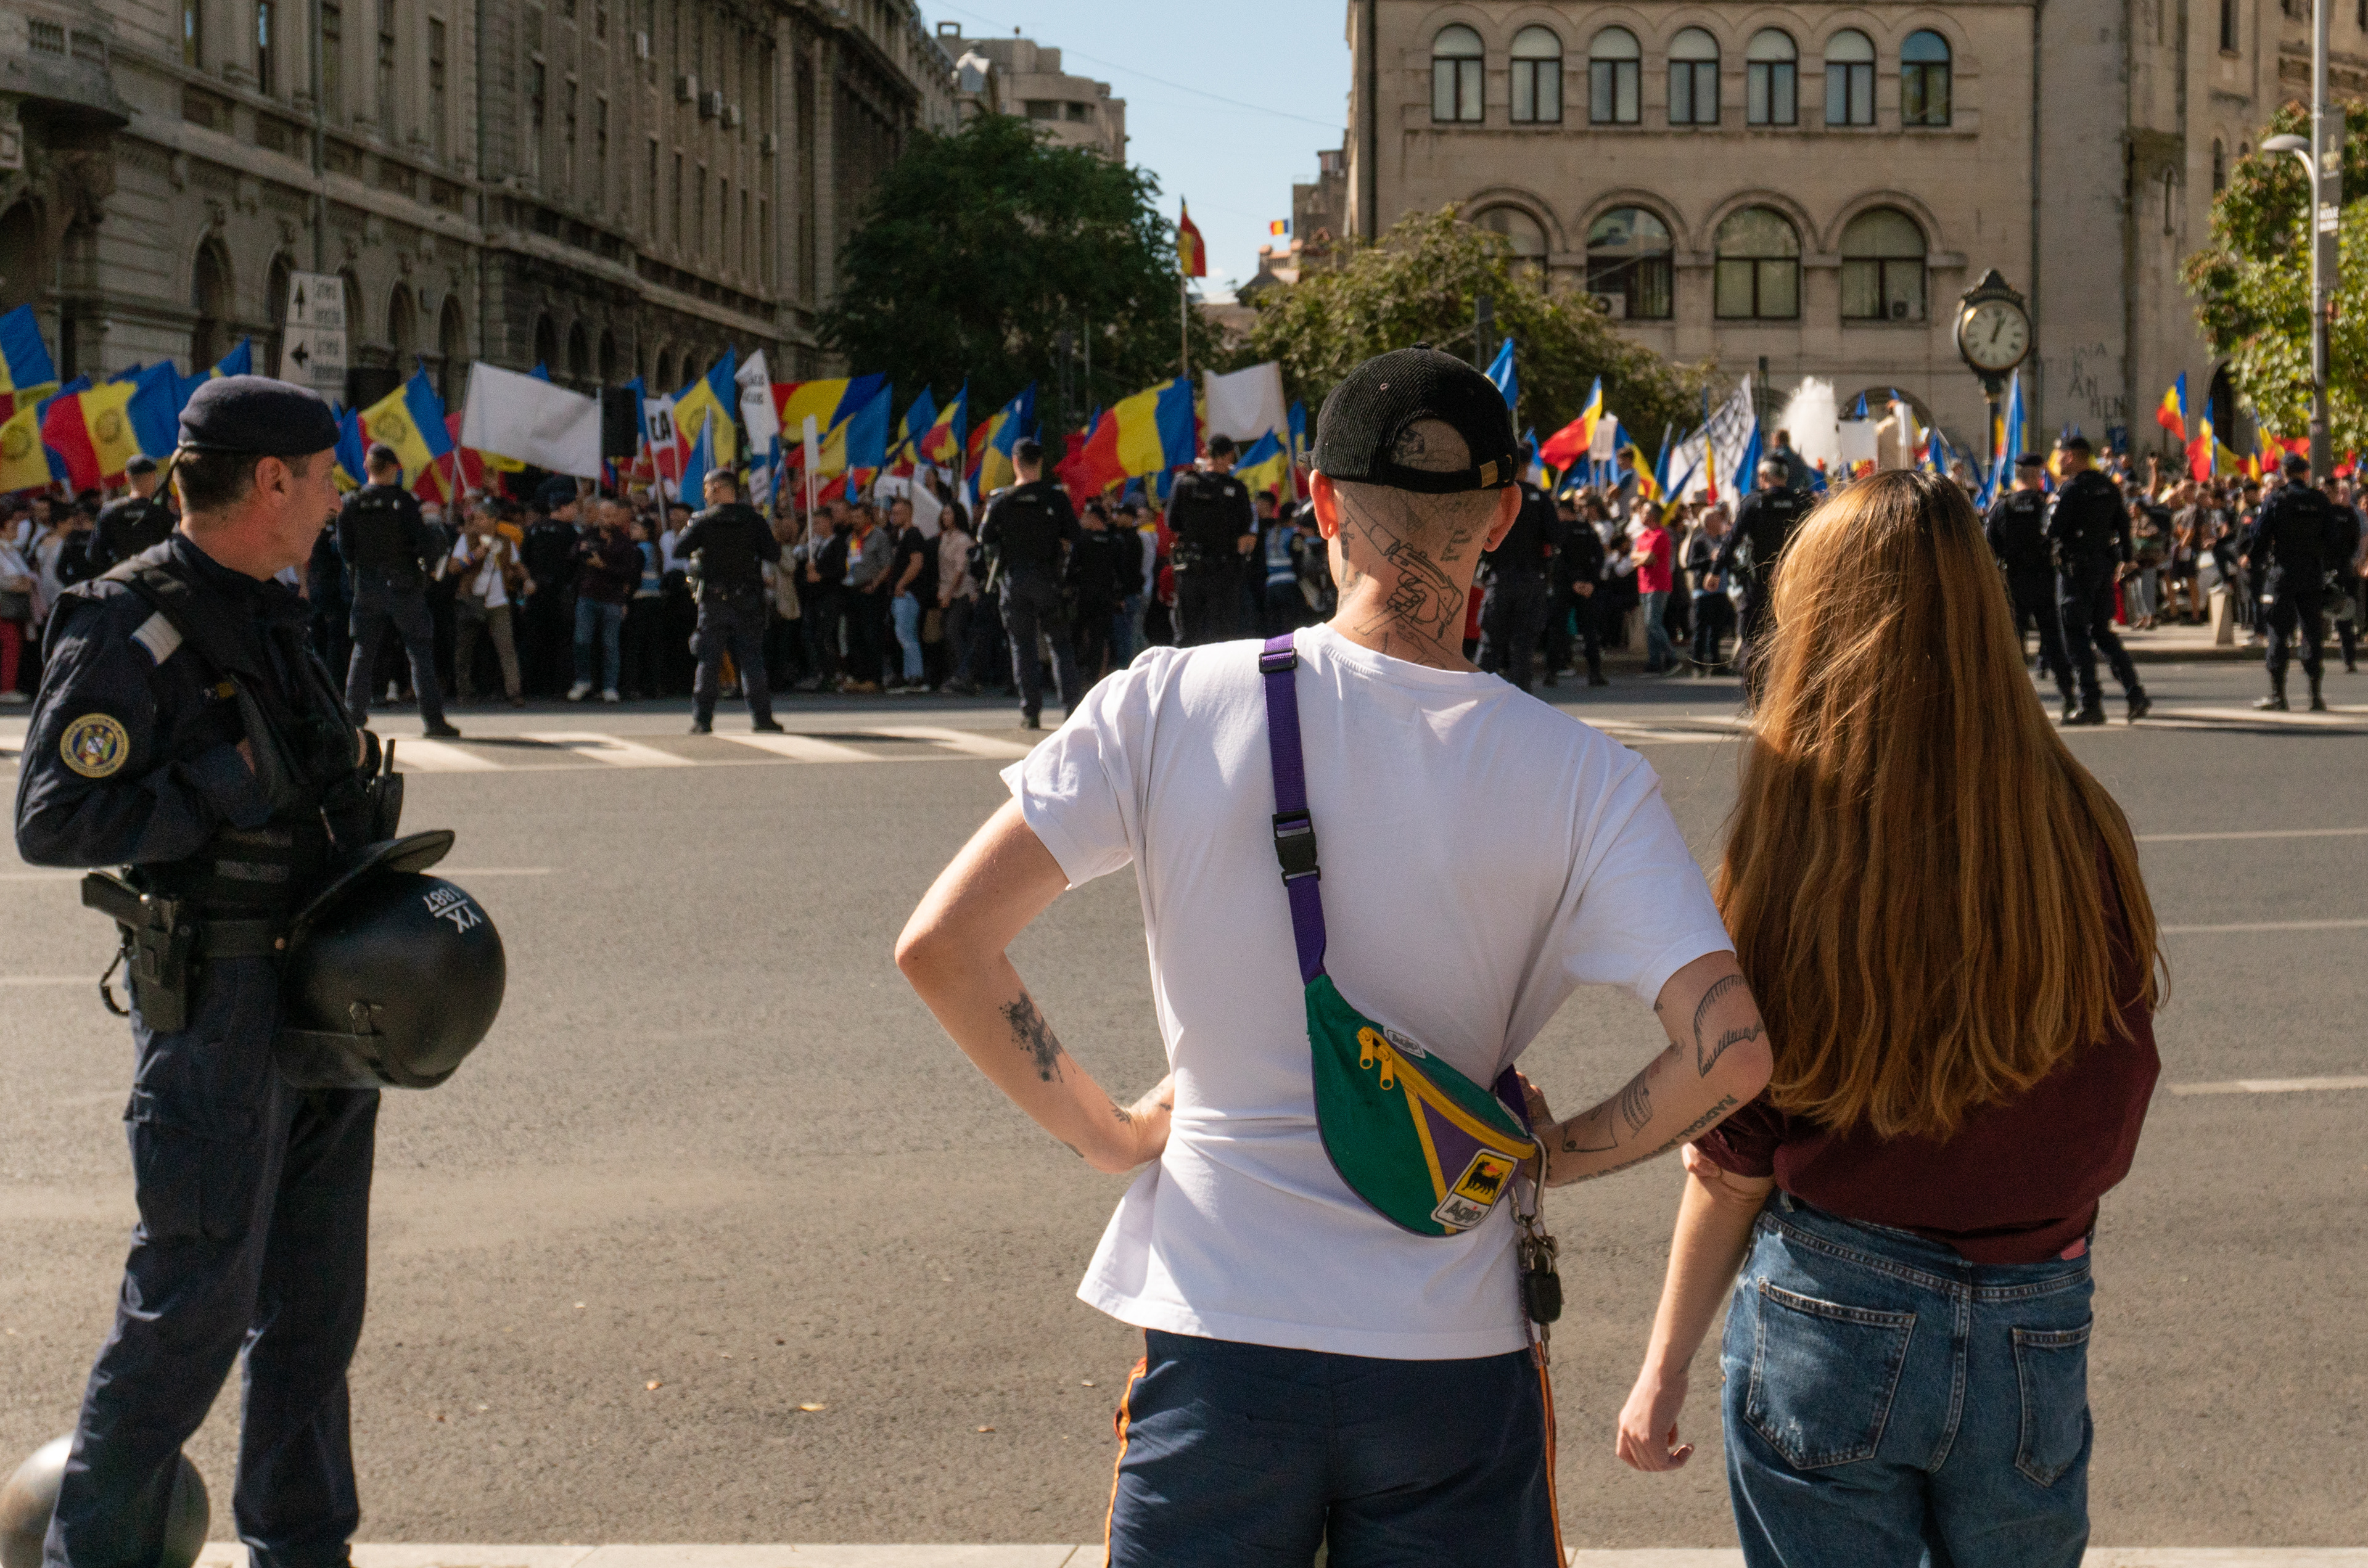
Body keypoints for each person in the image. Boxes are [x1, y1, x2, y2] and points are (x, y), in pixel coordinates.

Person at [897, 346, 1771, 1568]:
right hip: (1452, 1358)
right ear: (1507, 517)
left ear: (1318, 504)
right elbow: (1730, 1050)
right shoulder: (1588, 779)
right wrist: (1542, 1157)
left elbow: (943, 945)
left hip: (1217, 1326)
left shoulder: (1165, 701)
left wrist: (1111, 1133)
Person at [1613, 471, 2162, 1568]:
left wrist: (1664, 1364)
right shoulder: (2077, 828)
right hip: (2033, 1312)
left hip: (1833, 1308)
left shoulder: (1788, 847)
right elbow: (2114, 1094)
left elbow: (1734, 1148)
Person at [13, 377, 403, 1568]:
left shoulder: (275, 610)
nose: (340, 498)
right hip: (222, 1003)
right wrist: (220, 791)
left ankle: (300, 1546)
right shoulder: (129, 621)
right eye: (328, 475)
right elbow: (52, 818)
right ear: (270, 480)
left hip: (323, 998)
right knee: (189, 1310)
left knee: (312, 1319)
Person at [338, 443, 458, 737]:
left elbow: (345, 550)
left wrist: (361, 575)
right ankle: (433, 720)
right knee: (419, 651)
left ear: (367, 468)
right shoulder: (404, 503)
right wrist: (433, 529)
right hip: (403, 584)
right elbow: (425, 544)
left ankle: (353, 717)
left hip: (367, 585)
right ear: (393, 468)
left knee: (363, 651)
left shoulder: (350, 502)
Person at [976, 438, 1082, 729]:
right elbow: (1075, 534)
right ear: (1041, 462)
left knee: (1022, 646)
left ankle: (1030, 712)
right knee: (1059, 644)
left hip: (1015, 579)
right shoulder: (1056, 497)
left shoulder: (1002, 499)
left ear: (1015, 462)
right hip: (1048, 578)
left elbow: (984, 538)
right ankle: (1072, 709)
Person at [2047, 435, 2150, 725]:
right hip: (2102, 568)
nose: (2057, 461)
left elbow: (2052, 529)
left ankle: (2090, 703)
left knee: (2076, 635)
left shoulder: (2071, 490)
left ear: (2070, 457)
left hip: (2075, 571)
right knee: (2103, 633)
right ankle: (2134, 692)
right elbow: (2124, 524)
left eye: (2060, 456)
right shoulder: (2108, 486)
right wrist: (2126, 558)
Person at [673, 468, 781, 733]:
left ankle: (702, 720)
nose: (705, 494)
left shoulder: (703, 520)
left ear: (719, 488)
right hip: (748, 599)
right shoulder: (754, 520)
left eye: (708, 488)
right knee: (751, 659)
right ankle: (762, 718)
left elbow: (679, 550)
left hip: (714, 600)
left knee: (709, 660)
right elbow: (773, 554)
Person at [1986, 452, 2078, 721]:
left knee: (2014, 644)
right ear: (2038, 475)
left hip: (2014, 583)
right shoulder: (2047, 507)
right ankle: (2070, 698)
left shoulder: (2003, 508)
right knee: (2054, 642)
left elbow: (1989, 548)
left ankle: (2011, 703)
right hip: (2045, 582)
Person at [2242, 451, 2334, 711]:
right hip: (2312, 573)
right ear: (2305, 473)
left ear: (2283, 473)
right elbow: (2333, 539)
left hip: (2283, 573)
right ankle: (2315, 695)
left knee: (2278, 632)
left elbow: (2259, 537)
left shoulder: (2277, 500)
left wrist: (2254, 561)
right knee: (2312, 632)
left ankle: (2278, 695)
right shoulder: (2319, 500)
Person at [1717, 459, 1810, 693]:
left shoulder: (1755, 503)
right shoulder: (1801, 503)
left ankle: (1756, 693)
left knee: (1753, 639)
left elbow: (1733, 539)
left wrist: (1716, 570)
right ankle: (1790, 691)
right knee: (1792, 637)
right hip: (1794, 581)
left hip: (1757, 582)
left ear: (1765, 477)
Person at [1166, 434, 1258, 646]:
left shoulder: (1184, 483)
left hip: (1191, 569)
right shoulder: (1237, 490)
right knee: (1223, 637)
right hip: (1225, 571)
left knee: (1187, 635)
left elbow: (1172, 522)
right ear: (1229, 456)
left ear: (1205, 453)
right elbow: (1245, 526)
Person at [1474, 461, 1556, 692]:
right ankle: (1520, 697)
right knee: (1523, 644)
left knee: (1490, 642)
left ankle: (1480, 695)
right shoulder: (1540, 499)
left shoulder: (1497, 495)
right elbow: (1555, 535)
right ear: (1527, 467)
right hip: (1531, 578)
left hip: (1499, 578)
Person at [449, 503, 525, 707]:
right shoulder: (467, 539)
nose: (477, 523)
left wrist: (526, 579)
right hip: (471, 600)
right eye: (475, 519)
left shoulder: (505, 542)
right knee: (465, 648)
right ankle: (464, 691)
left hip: (498, 602)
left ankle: (514, 691)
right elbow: (454, 567)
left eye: (482, 518)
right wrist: (474, 556)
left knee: (506, 647)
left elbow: (516, 566)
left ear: (494, 521)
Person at [567, 499, 641, 702]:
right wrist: (581, 550)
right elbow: (571, 556)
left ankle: (610, 686)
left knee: (611, 644)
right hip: (587, 595)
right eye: (603, 514)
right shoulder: (588, 535)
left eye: (611, 515)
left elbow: (629, 573)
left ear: (618, 517)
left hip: (612, 598)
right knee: (581, 640)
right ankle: (583, 681)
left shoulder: (624, 543)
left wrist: (603, 565)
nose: (606, 519)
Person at [1545, 493, 1606, 688]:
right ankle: (1595, 673)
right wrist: (1590, 582)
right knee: (1589, 630)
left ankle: (1552, 673)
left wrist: (1573, 582)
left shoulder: (1560, 531)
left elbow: (1559, 561)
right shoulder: (1588, 530)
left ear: (1563, 512)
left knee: (1558, 629)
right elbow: (1599, 558)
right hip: (1586, 587)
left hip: (1565, 586)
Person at [1066, 499, 1130, 683]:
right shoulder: (1115, 542)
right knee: (1099, 639)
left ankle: (1077, 675)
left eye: (1086, 517)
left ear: (1094, 518)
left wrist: (1068, 588)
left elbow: (1071, 569)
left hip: (1084, 597)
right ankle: (1095, 678)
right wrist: (1119, 596)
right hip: (1106, 598)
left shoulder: (1082, 540)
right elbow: (1122, 573)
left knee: (1077, 636)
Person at [85, 454, 178, 573]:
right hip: (157, 577)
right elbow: (174, 547)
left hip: (124, 578)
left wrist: (117, 570)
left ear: (127, 477)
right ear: (153, 476)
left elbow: (94, 555)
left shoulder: (109, 512)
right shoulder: (160, 511)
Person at [884, 496, 934, 692]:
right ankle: (909, 675)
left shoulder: (913, 535)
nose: (894, 517)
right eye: (892, 513)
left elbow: (917, 562)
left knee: (906, 634)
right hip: (902, 593)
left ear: (909, 514)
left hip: (908, 593)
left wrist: (902, 584)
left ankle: (916, 677)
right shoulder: (901, 535)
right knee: (904, 634)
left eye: (898, 513)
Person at [1684, 503, 1734, 673]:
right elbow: (1691, 564)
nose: (1720, 521)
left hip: (1720, 590)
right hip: (1703, 592)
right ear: (1708, 521)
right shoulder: (1699, 540)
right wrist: (1709, 559)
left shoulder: (1721, 540)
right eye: (1717, 518)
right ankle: (1697, 665)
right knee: (1701, 629)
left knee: (1716, 629)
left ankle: (1715, 663)